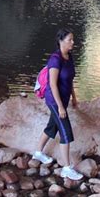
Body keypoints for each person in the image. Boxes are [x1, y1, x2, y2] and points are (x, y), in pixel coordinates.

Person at [33, 28, 83, 181]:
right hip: (54, 100)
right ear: (61, 41)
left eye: (73, 39)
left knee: (52, 127)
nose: (73, 42)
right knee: (66, 132)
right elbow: (53, 85)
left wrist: (74, 97)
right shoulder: (55, 59)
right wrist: (61, 107)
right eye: (70, 40)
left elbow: (70, 80)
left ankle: (38, 152)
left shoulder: (69, 56)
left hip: (64, 98)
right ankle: (66, 168)